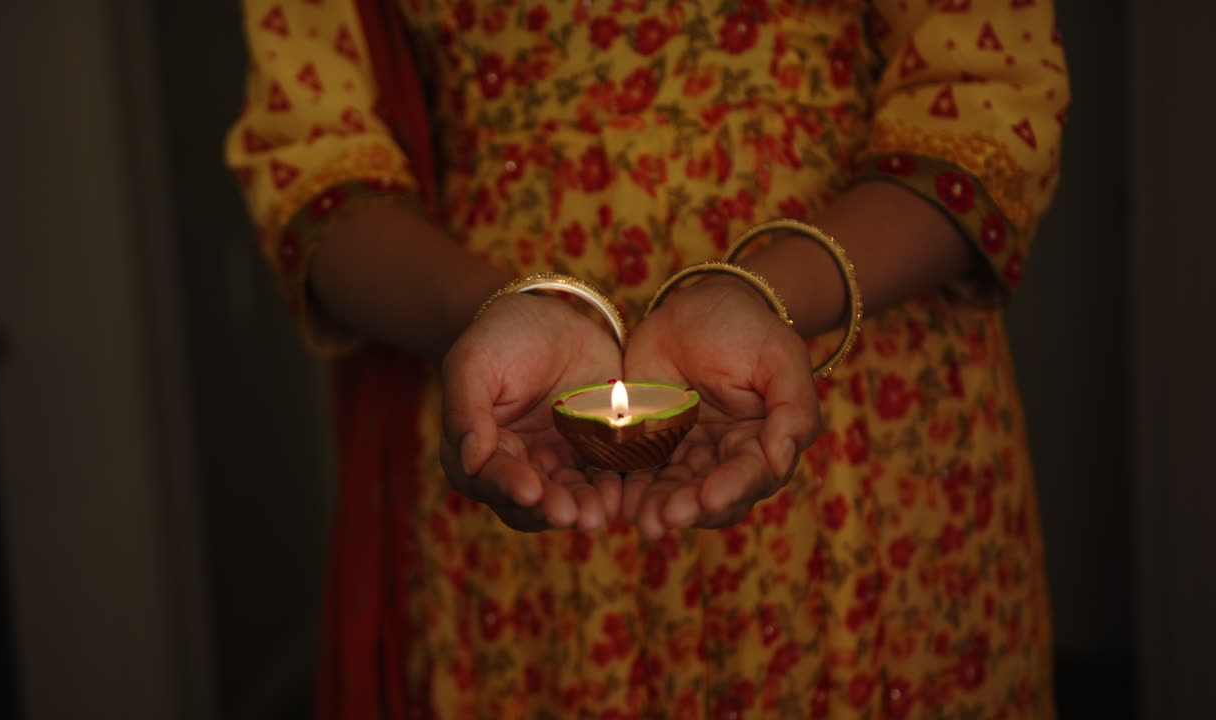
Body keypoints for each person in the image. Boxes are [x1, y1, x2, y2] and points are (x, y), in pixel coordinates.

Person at [227, 0, 1068, 717]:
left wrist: (768, 297)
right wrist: (486, 308)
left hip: (849, 420)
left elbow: (983, 108)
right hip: (516, 424)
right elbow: (314, 167)